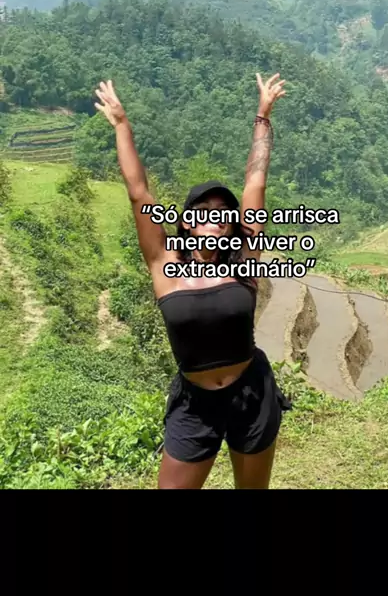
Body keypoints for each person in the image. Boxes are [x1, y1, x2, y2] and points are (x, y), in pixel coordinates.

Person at [94, 73, 291, 489]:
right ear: (186, 222)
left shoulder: (245, 259)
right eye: (205, 208)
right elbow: (139, 193)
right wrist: (122, 125)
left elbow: (256, 180)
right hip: (194, 405)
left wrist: (263, 115)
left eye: (223, 211)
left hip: (252, 394)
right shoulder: (164, 265)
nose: (215, 215)